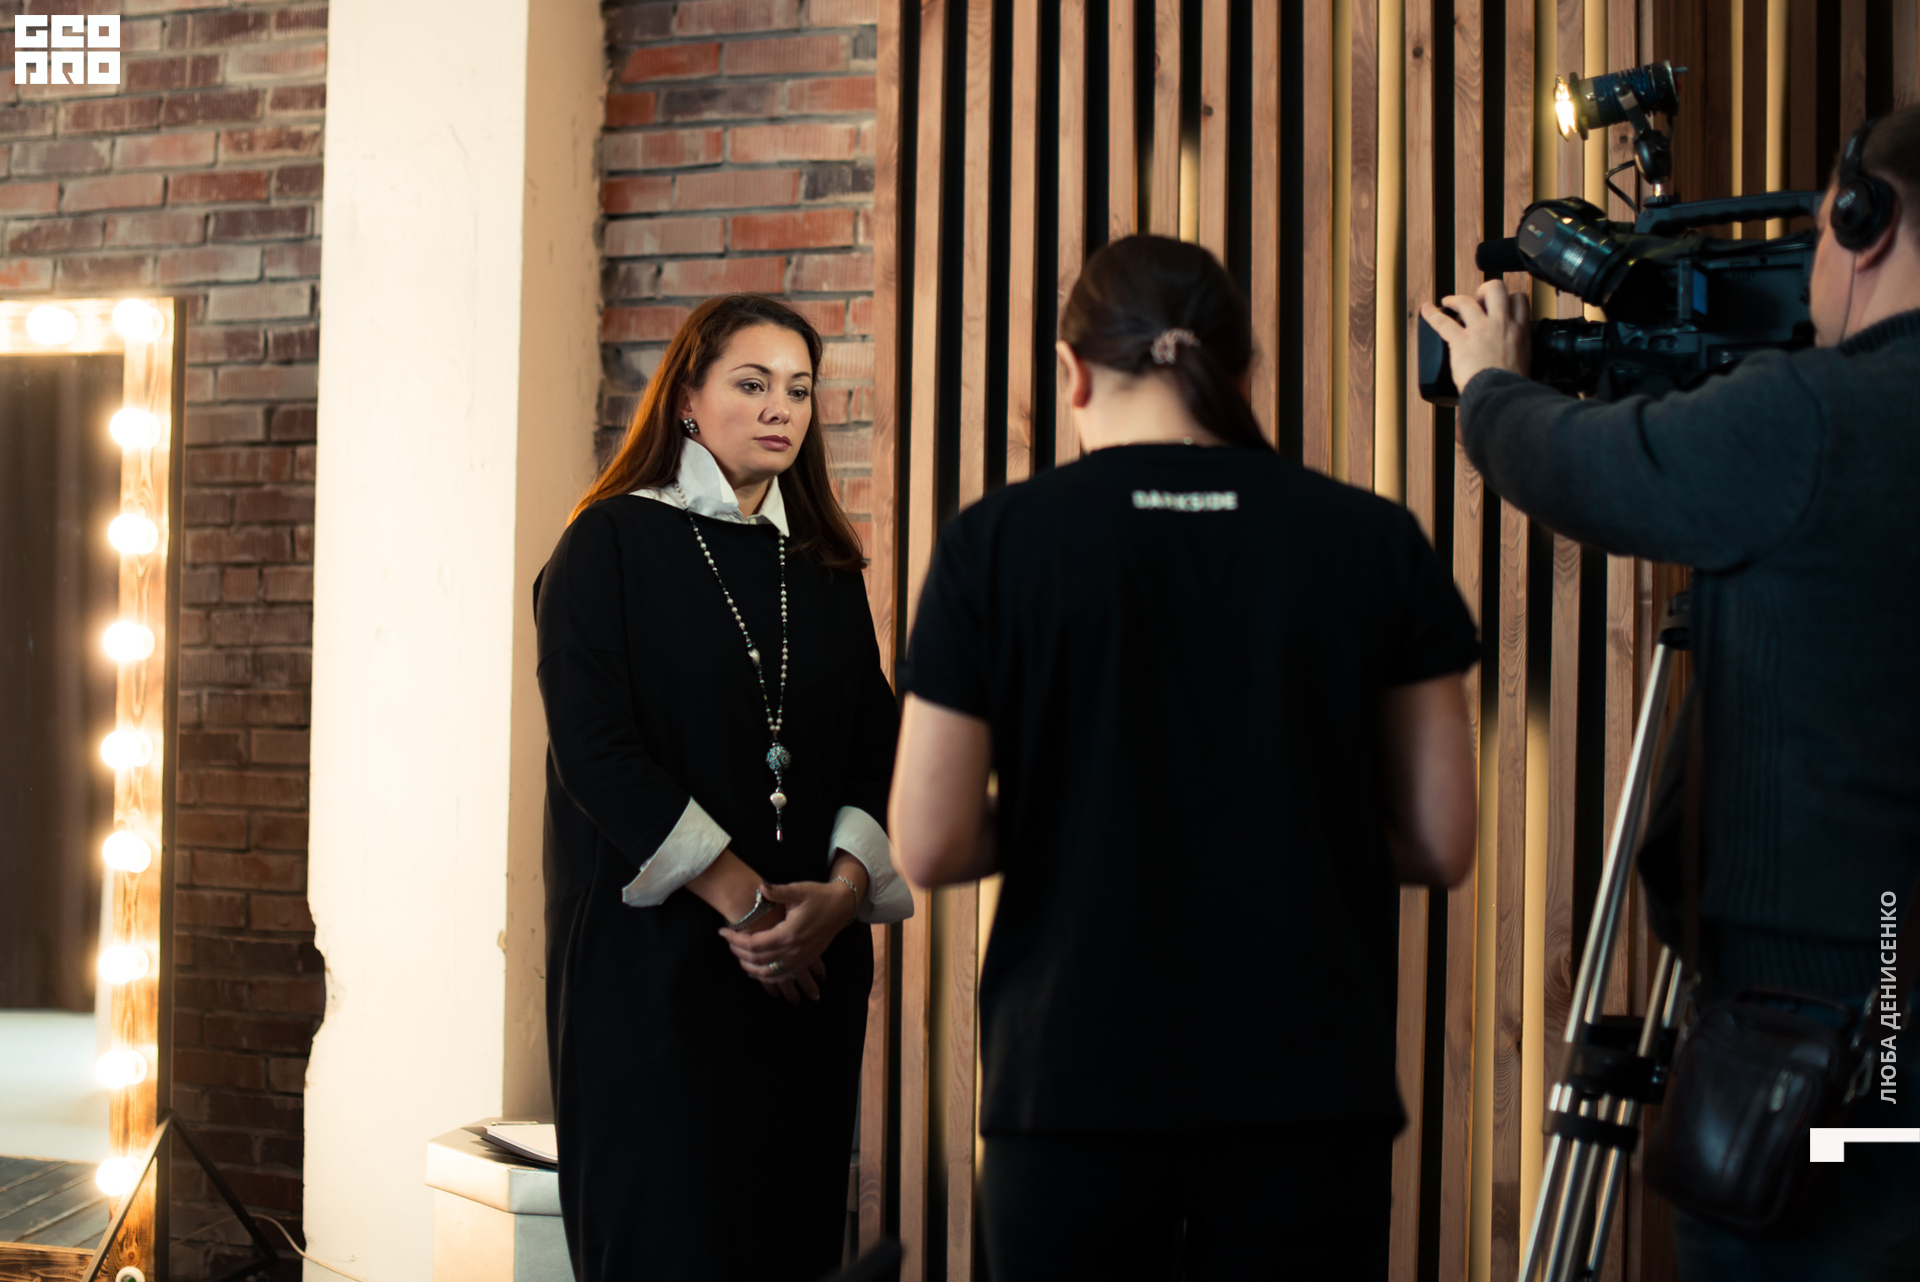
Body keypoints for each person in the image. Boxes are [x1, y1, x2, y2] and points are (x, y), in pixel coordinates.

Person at [889, 235, 1480, 1281]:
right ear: (1240, 370)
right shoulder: (1372, 539)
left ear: (1072, 372)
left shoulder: (997, 543)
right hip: (1307, 1091)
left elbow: (928, 844)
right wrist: (1278, 812)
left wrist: (1086, 809)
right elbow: (1439, 843)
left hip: (1071, 1086)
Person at [1421, 110, 1920, 1280]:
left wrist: (1489, 386)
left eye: (1819, 234)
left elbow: (1594, 469)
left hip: (1834, 1018)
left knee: (1827, 1224)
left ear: (1868, 220)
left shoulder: (1820, 415)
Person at [534, 294, 914, 1282]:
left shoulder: (825, 567)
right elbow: (596, 752)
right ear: (688, 398)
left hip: (810, 975)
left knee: (788, 1243)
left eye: (800, 389)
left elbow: (877, 747)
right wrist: (750, 907)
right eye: (752, 383)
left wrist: (840, 896)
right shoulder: (608, 544)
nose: (781, 407)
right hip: (658, 975)